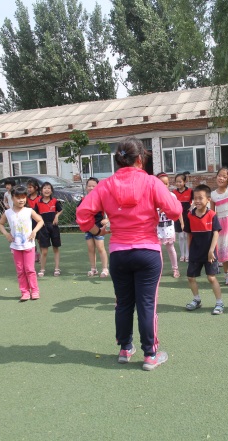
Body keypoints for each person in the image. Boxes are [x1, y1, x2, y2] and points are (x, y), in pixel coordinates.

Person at [76, 137, 182, 371]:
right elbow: (175, 211)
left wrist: (97, 230)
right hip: (147, 251)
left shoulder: (105, 185)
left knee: (123, 303)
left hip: (119, 253)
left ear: (118, 160)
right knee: (147, 304)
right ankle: (150, 354)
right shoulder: (152, 182)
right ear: (140, 159)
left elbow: (82, 214)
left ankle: (125, 348)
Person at [0, 185, 45, 301]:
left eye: (23, 197)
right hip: (16, 246)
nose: (21, 200)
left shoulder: (29, 211)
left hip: (29, 245)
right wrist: (6, 234)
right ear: (12, 198)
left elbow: (40, 221)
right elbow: (0, 224)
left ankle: (34, 291)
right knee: (20, 270)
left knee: (30, 269)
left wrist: (34, 231)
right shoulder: (8, 213)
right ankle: (25, 292)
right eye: (18, 197)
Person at [184, 184, 224, 314]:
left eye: (200, 198)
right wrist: (189, 252)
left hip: (209, 253)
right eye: (195, 198)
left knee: (211, 278)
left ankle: (219, 303)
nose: (197, 201)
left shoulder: (212, 215)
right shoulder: (190, 215)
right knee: (190, 277)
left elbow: (216, 233)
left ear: (208, 200)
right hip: (195, 252)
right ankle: (196, 300)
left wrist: (211, 251)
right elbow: (189, 234)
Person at [79, 177, 109, 277]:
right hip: (88, 228)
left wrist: (107, 220)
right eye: (89, 186)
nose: (91, 188)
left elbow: (110, 211)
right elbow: (79, 213)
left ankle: (105, 269)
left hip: (99, 228)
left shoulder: (102, 199)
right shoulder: (83, 200)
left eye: (93, 186)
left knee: (100, 248)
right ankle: (93, 269)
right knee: (91, 248)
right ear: (86, 187)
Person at [35, 182, 63, 277]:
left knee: (56, 248)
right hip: (43, 228)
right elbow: (35, 213)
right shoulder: (38, 202)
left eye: (49, 188)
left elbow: (60, 210)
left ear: (51, 191)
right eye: (45, 188)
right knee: (44, 251)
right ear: (41, 190)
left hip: (54, 227)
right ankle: (42, 269)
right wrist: (40, 219)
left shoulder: (55, 201)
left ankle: (57, 268)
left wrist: (57, 216)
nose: (47, 190)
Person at [156, 173, 180, 278]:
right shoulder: (153, 196)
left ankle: (175, 269)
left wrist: (168, 209)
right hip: (157, 227)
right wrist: (160, 210)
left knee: (171, 248)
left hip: (168, 226)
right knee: (158, 250)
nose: (164, 186)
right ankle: (158, 270)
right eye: (162, 183)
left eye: (166, 183)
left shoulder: (172, 196)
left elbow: (176, 210)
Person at [173, 173, 191, 262]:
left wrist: (191, 208)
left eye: (180, 182)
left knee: (186, 235)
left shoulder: (190, 191)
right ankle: (182, 255)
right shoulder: (173, 192)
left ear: (184, 182)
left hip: (187, 216)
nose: (178, 183)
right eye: (177, 182)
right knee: (180, 236)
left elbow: (194, 201)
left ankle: (187, 255)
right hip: (178, 216)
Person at [26, 179, 42, 263]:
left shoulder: (40, 198)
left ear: (36, 188)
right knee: (31, 239)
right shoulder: (26, 198)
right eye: (28, 187)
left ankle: (42, 255)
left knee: (39, 239)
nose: (29, 189)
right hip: (29, 221)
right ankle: (35, 254)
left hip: (38, 221)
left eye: (30, 187)